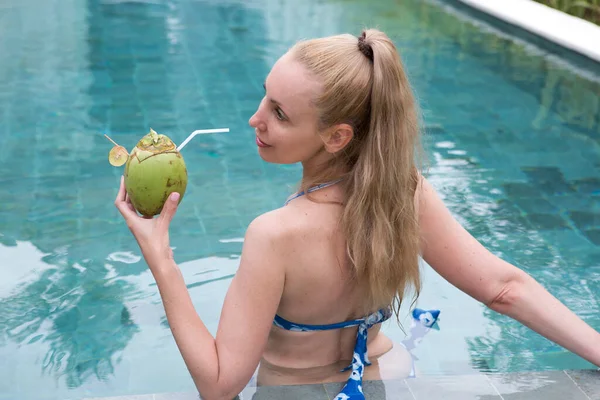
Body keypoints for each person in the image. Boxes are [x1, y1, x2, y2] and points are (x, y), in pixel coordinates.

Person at [114, 28, 600, 400]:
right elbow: (505, 288)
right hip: (385, 381)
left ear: (337, 136)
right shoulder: (402, 193)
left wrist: (160, 257)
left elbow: (220, 384)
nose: (254, 118)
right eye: (266, 96)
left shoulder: (274, 235)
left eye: (280, 114)